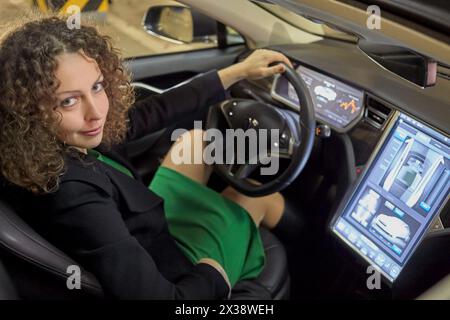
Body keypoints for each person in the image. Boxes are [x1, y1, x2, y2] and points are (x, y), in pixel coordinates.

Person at [0, 15, 297, 299]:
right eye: (68, 100)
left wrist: (237, 73)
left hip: (150, 233)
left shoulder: (38, 146)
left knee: (197, 141)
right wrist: (212, 276)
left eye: (97, 86)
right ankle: (319, 254)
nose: (96, 112)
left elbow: (147, 115)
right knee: (255, 194)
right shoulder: (74, 197)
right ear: (28, 108)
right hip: (180, 271)